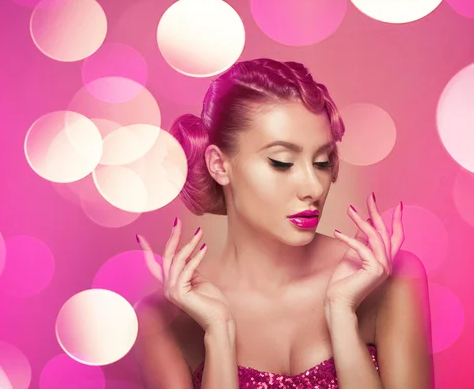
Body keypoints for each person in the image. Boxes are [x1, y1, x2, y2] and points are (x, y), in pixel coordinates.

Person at [133, 58, 433, 389]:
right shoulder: (166, 318)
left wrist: (342, 313)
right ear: (219, 165)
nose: (314, 188)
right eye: (282, 162)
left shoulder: (390, 279)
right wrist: (218, 332)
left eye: (322, 162)